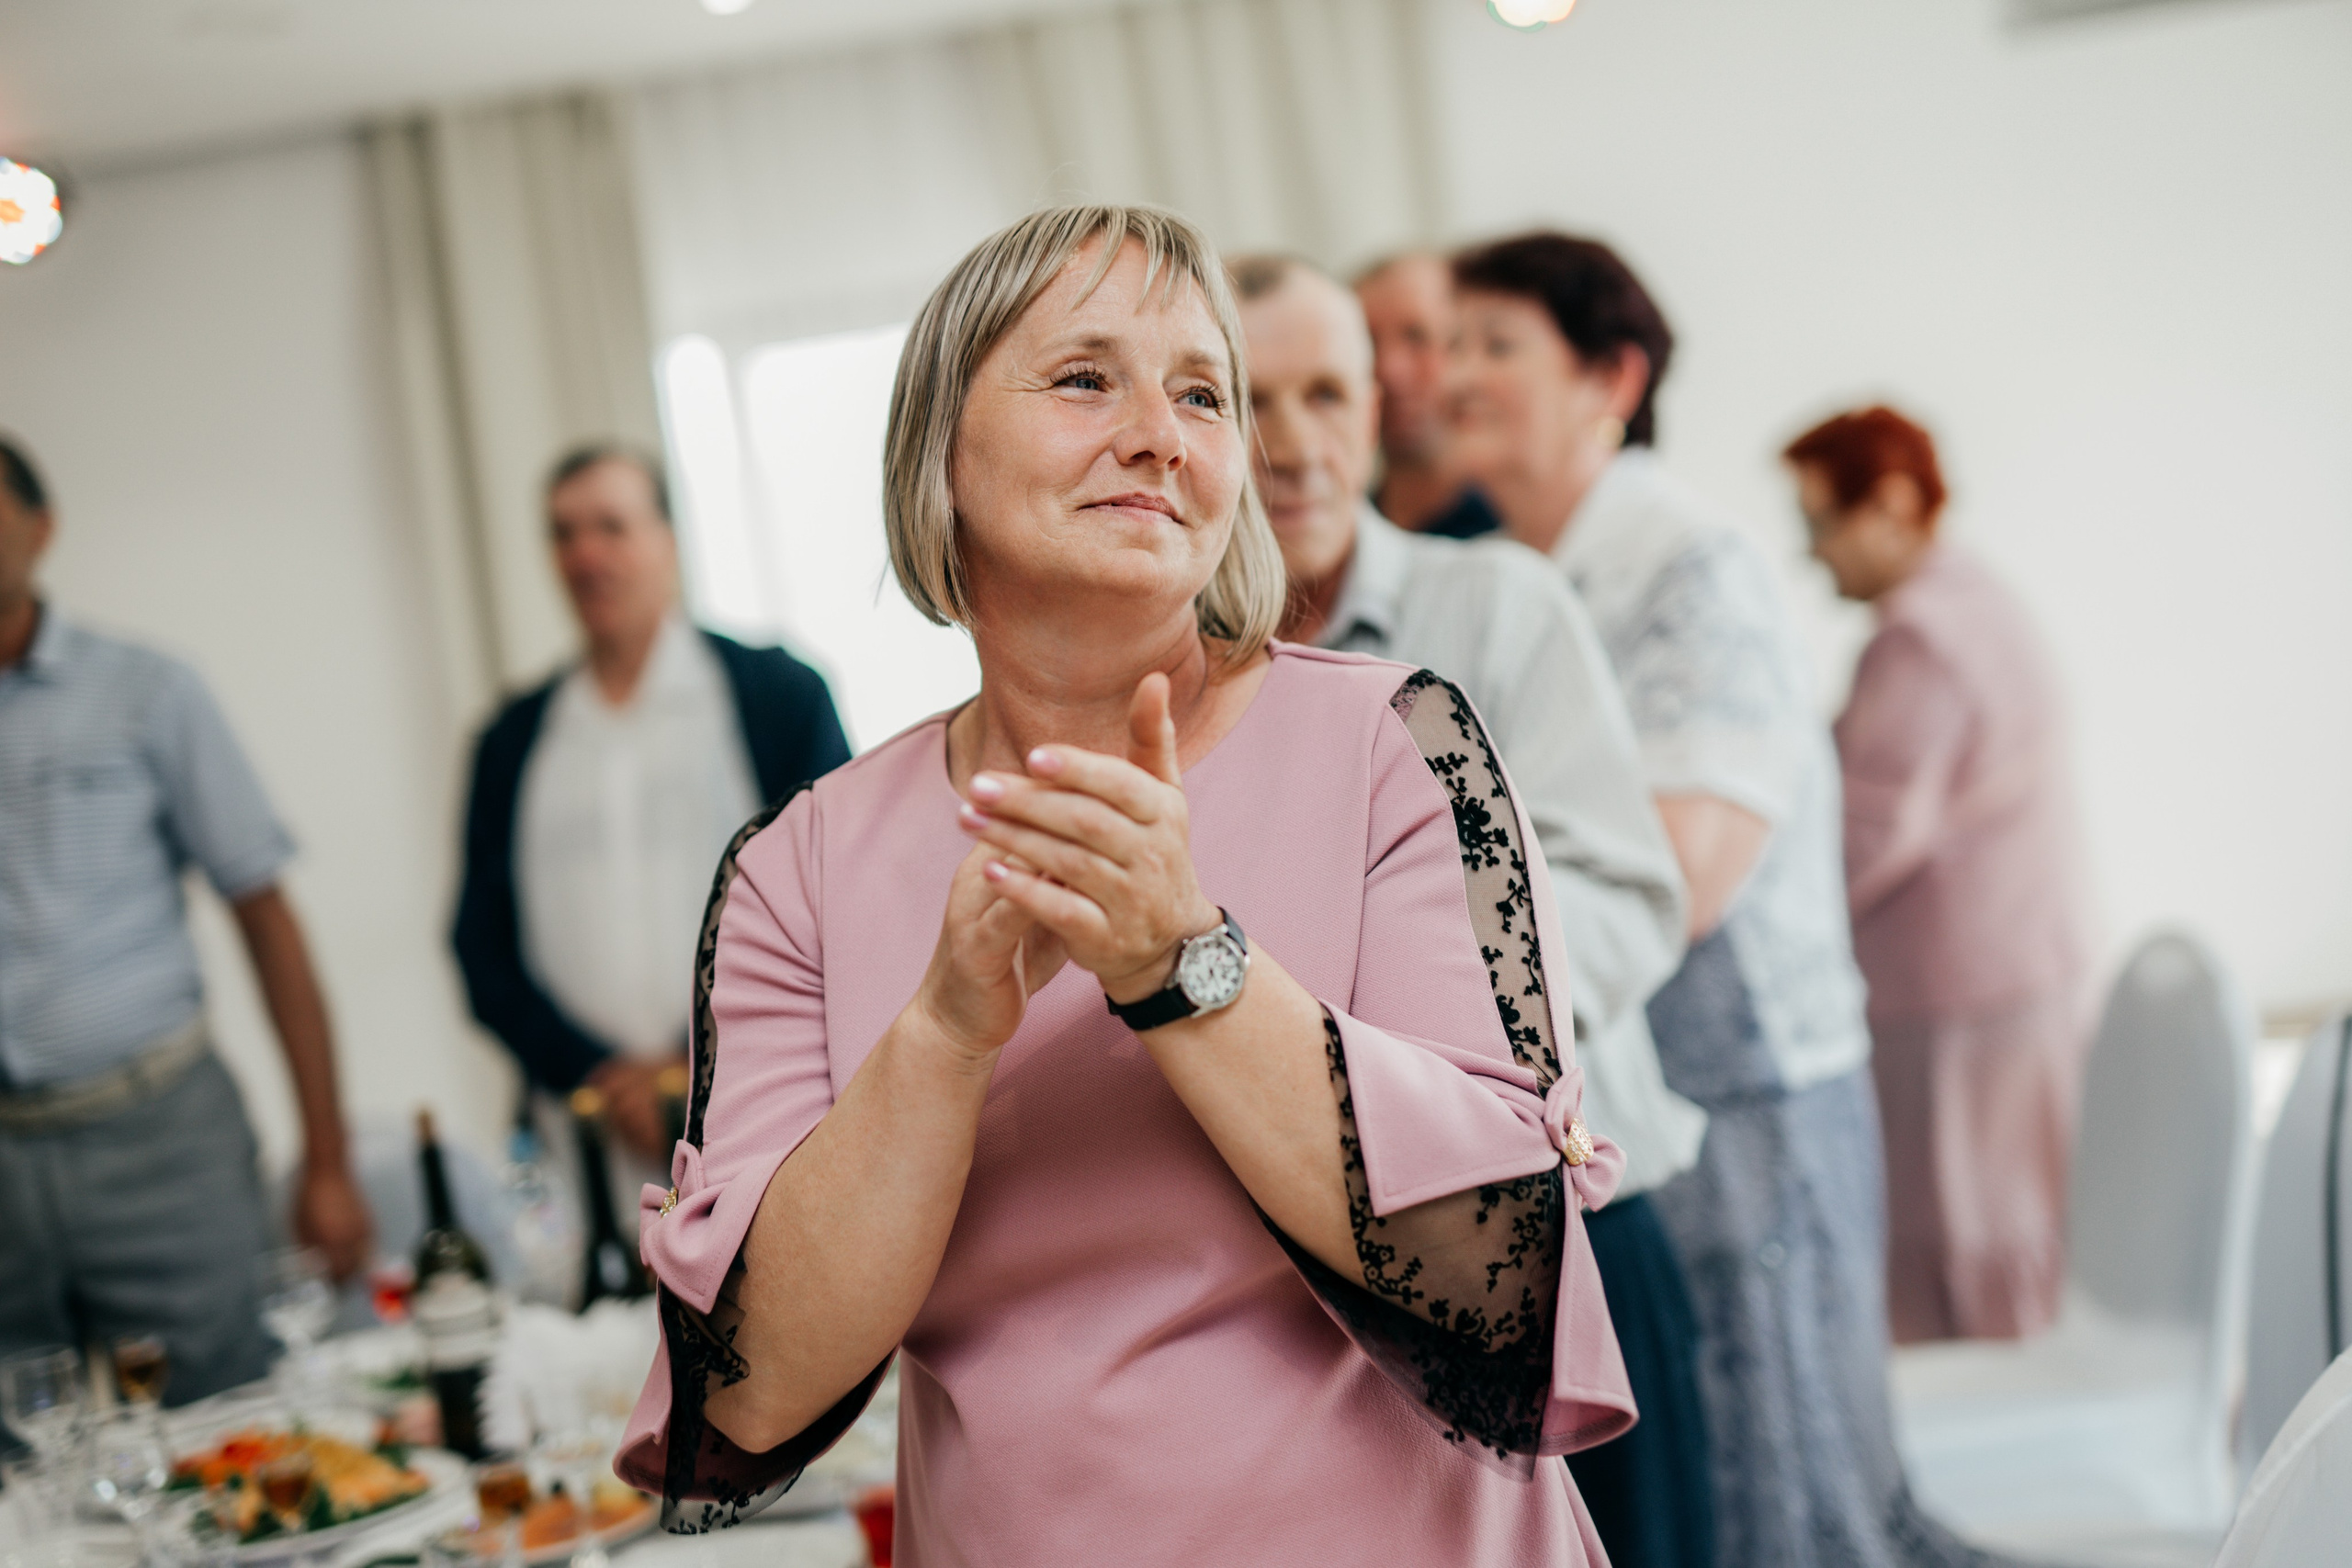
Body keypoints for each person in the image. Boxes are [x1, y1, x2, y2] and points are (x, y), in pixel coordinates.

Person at [616, 206, 1635, 1563]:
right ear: (941, 454)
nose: (1163, 430)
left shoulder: (1397, 747)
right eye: (1087, 376)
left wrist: (1182, 958)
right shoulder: (795, 870)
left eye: (1202, 392)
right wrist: (944, 1033)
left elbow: (1499, 1292)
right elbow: (750, 1393)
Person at [1446, 237, 2007, 1568]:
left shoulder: (1688, 565)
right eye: (1449, 344)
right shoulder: (1521, 577)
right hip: (1644, 1110)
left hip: (1746, 1095)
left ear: (1611, 377)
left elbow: (1684, 876)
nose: (1453, 376)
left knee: (1792, 1503)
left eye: (1495, 346)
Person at [1233, 251, 1714, 1568]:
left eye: (1326, 393)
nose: (1291, 443)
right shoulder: (1180, 679)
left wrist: (1389, 1060)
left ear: (1381, 406)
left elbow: (1623, 897)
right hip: (1322, 1293)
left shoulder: (1499, 606)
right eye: (1244, 397)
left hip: (1577, 1245)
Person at [0, 434, 371, 1404]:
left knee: (227, 1431)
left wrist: (325, 1161)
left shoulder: (145, 690)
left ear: (42, 529)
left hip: (155, 1137)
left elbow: (267, 919)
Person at [451, 445, 849, 1186]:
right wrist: (599, 1076)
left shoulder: (777, 695)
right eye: (563, 533)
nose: (585, 555)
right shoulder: (510, 740)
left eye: (610, 525)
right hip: (582, 1135)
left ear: (667, 539)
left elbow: (836, 897)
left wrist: (687, 1064)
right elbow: (481, 947)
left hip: (759, 1110)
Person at [1786, 405, 2093, 1345]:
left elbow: (1864, 830)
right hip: (2009, 979)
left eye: (1821, 525)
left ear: (1888, 505)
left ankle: (1986, 1453)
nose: (1813, 555)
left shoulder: (1919, 637)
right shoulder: (1976, 600)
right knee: (2009, 1225)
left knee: (1967, 1237)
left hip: (1957, 1000)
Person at [1354, 252, 1501, 538]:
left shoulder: (1521, 525)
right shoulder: (1344, 535)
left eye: (1416, 336)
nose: (1389, 369)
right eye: (1368, 342)